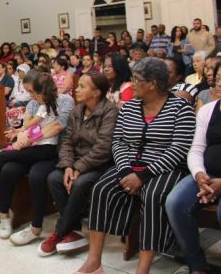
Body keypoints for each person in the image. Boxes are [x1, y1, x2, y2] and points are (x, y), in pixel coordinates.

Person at [76, 58, 196, 274]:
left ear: (153, 83)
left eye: (136, 79)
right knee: (101, 189)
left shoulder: (181, 108)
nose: (132, 84)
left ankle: (143, 269)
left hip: (165, 168)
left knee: (153, 195)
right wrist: (125, 170)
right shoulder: (129, 107)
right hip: (129, 166)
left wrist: (143, 175)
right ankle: (94, 262)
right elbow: (118, 142)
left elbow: (179, 148)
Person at [0, 73, 74, 243]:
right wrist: (21, 135)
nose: (30, 95)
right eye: (28, 92)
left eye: (32, 91)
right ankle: (4, 216)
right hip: (33, 148)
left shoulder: (64, 100)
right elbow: (27, 125)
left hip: (52, 150)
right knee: (8, 169)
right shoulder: (34, 103)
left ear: (43, 89)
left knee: (35, 174)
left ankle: (35, 226)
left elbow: (57, 126)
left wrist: (29, 137)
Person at [40, 73, 117, 256]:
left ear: (96, 92)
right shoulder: (77, 110)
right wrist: (68, 166)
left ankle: (60, 231)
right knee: (54, 178)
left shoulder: (110, 111)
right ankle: (73, 229)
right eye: (78, 85)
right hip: (75, 162)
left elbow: (103, 148)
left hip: (100, 163)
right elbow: (66, 141)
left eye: (83, 86)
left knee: (80, 183)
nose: (77, 89)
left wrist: (78, 168)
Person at [166, 95, 221, 274]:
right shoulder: (208, 110)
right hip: (207, 175)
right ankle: (197, 264)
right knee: (175, 203)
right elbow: (196, 148)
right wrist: (199, 175)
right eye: (219, 81)